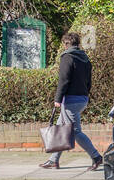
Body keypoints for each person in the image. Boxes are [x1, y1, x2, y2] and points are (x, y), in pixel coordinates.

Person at [39, 31, 103, 171]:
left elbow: (64, 80)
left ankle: (96, 157)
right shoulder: (84, 58)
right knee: (60, 127)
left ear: (66, 44)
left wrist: (58, 98)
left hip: (71, 100)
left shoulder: (67, 57)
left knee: (74, 131)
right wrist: (85, 94)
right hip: (82, 98)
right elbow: (88, 81)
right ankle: (53, 160)